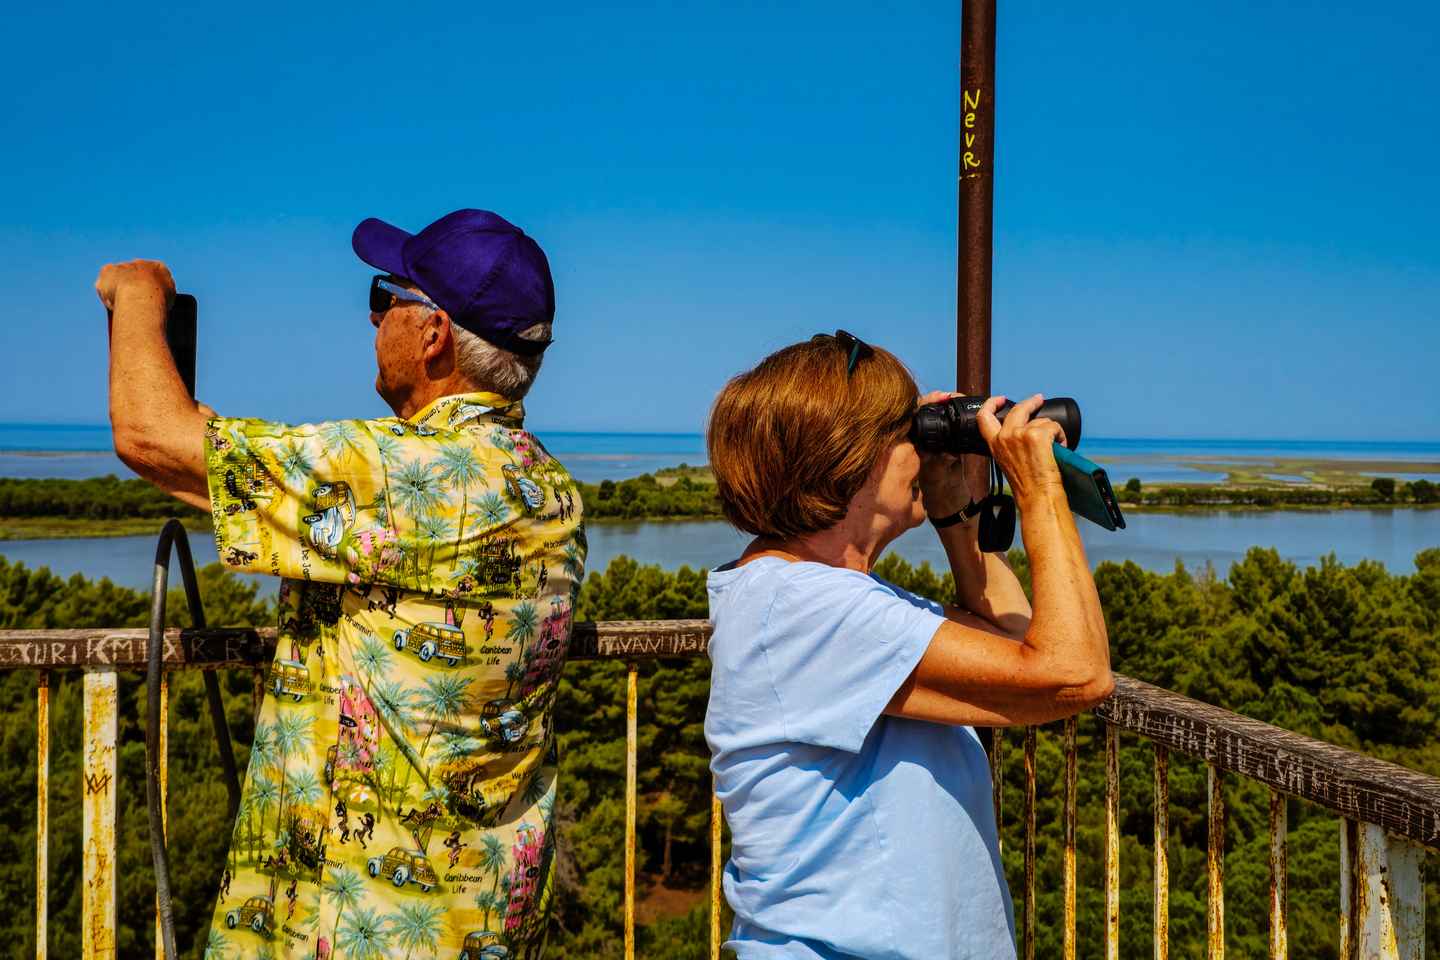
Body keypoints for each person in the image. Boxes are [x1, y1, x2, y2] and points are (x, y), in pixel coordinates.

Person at [97, 209, 585, 959]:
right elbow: (226, 474)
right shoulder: (550, 490)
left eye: (386, 297)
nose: (374, 316)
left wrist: (138, 292)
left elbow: (147, 435)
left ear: (434, 333)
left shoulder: (394, 476)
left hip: (365, 923)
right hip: (486, 911)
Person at [703, 333, 1113, 959]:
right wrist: (1039, 492)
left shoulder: (808, 595)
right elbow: (1076, 673)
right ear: (851, 457)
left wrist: (955, 513)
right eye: (908, 434)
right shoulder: (807, 608)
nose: (923, 451)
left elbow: (1015, 639)